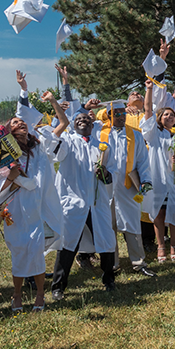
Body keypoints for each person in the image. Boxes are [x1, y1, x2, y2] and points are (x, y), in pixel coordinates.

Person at [0, 87, 69, 312]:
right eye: (15, 123)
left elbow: (63, 123)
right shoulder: (4, 154)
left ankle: (39, 295)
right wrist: (12, 175)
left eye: (22, 122)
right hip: (15, 207)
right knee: (18, 251)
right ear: (8, 131)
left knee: (36, 252)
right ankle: (16, 295)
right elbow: (0, 185)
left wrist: (53, 102)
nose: (21, 124)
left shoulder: (41, 143)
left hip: (38, 206)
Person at [48, 107, 119, 300]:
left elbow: (112, 173)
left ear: (93, 124)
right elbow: (56, 154)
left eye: (87, 119)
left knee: (106, 239)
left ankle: (109, 280)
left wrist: (105, 174)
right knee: (68, 243)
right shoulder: (68, 143)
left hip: (97, 203)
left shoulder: (103, 147)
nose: (83, 121)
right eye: (78, 119)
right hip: (73, 201)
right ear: (73, 124)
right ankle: (58, 286)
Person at [81, 98, 156, 277]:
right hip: (103, 186)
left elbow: (142, 161)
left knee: (132, 224)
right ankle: (111, 264)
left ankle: (139, 262)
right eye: (117, 113)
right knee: (107, 225)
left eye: (123, 113)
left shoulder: (135, 134)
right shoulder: (98, 132)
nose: (121, 116)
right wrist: (88, 108)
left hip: (127, 185)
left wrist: (145, 180)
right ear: (109, 115)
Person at [142, 80, 175, 262]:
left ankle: (174, 245)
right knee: (159, 213)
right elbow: (147, 111)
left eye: (173, 115)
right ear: (160, 118)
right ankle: (161, 246)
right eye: (166, 114)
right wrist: (150, 89)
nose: (170, 117)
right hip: (158, 178)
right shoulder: (154, 134)